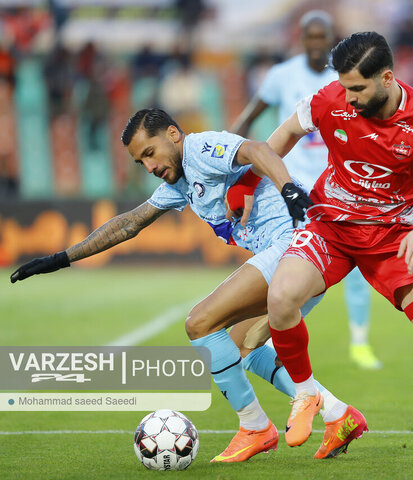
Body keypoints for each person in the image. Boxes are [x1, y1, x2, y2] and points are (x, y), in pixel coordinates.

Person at [9, 108, 367, 462]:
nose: (149, 167)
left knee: (199, 323)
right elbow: (129, 223)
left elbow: (259, 150)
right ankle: (338, 415)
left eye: (149, 153)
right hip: (293, 252)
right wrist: (61, 258)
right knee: (242, 346)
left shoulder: (202, 149)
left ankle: (255, 427)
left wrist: (287, 189)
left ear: (173, 135)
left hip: (296, 244)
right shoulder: (178, 181)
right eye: (140, 162)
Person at [256, 32, 413, 466]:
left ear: (387, 78)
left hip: (395, 238)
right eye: (344, 87)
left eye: (358, 89)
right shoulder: (329, 99)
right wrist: (257, 184)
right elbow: (283, 134)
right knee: (280, 298)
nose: (347, 98)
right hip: (332, 224)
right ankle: (308, 395)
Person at [231, 10, 381, 370]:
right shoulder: (282, 75)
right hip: (292, 185)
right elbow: (251, 115)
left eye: (322, 37)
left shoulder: (346, 77)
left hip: (338, 184)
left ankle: (359, 341)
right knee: (291, 260)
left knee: (356, 267)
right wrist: (235, 163)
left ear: (332, 39)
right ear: (301, 39)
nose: (316, 44)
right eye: (310, 37)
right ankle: (267, 331)